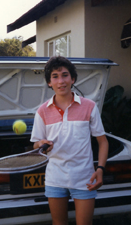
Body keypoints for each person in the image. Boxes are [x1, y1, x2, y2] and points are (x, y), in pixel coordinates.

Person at [30, 56, 109, 225]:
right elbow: (36, 144)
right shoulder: (42, 111)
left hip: (84, 178)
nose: (61, 81)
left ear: (73, 79)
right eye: (55, 76)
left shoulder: (89, 106)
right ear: (49, 82)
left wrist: (100, 169)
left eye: (65, 75)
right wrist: (42, 143)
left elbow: (103, 142)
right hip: (55, 178)